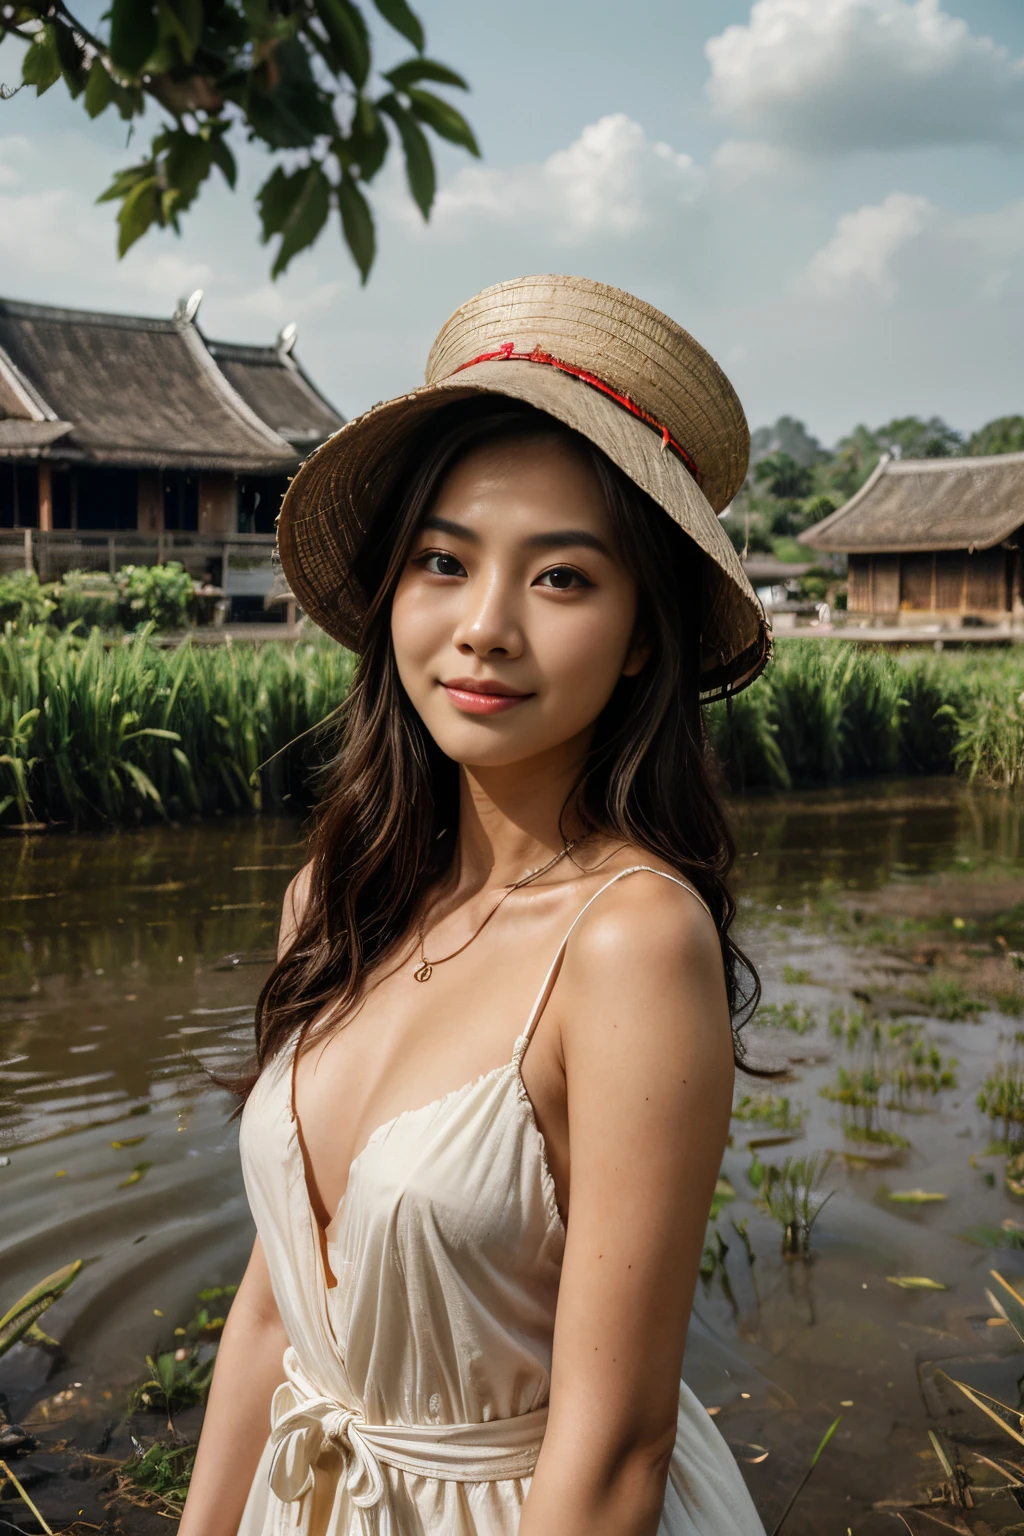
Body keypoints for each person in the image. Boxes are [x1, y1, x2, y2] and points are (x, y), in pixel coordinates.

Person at [179, 275, 770, 1536]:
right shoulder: (331, 902)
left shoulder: (628, 940)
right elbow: (279, 1308)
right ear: (396, 588)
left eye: (560, 580)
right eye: (444, 562)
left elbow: (615, 1447)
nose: (484, 628)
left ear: (642, 639)